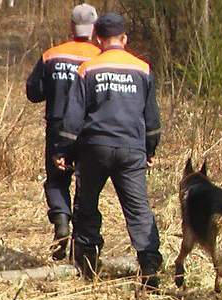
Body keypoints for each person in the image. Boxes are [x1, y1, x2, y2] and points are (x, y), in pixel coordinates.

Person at [56, 13, 163, 286]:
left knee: (87, 203)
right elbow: (151, 118)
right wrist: (150, 149)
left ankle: (87, 261)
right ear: (124, 39)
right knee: (139, 209)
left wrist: (64, 150)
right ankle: (149, 263)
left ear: (98, 40)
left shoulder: (88, 69)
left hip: (94, 148)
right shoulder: (143, 69)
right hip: (131, 148)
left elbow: (72, 116)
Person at [26, 4, 100, 261]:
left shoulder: (51, 55)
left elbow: (33, 93)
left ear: (71, 27)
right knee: (85, 183)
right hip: (90, 129)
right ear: (94, 29)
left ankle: (60, 220)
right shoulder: (100, 57)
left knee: (57, 180)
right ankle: (83, 246)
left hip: (58, 127)